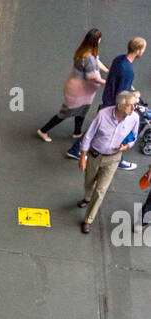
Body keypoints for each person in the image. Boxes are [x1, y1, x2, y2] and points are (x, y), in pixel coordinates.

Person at [77, 90, 141, 232]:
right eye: (130, 105)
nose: (133, 108)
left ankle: (88, 220)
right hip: (95, 155)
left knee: (100, 190)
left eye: (134, 105)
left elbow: (134, 137)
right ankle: (87, 198)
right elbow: (89, 136)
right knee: (89, 181)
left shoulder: (134, 118)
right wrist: (83, 157)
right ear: (120, 105)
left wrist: (126, 146)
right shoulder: (103, 115)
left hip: (113, 158)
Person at [36, 29, 107, 150]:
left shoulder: (85, 50)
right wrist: (107, 81)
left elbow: (97, 60)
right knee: (65, 113)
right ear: (97, 40)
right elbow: (91, 77)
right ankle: (43, 130)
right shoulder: (88, 57)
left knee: (83, 110)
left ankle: (77, 132)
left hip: (84, 92)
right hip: (79, 92)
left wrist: (106, 70)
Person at [97, 36, 146, 169]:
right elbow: (122, 95)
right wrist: (133, 101)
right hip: (115, 104)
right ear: (138, 50)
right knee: (118, 133)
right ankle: (118, 160)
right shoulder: (128, 71)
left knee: (101, 127)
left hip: (107, 97)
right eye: (143, 49)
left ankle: (77, 148)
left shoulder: (119, 59)